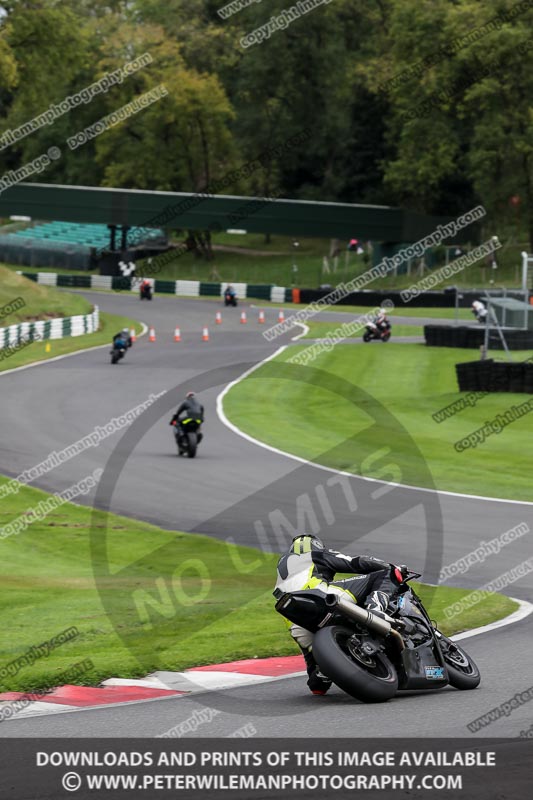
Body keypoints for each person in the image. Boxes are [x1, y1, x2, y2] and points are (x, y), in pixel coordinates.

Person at [273, 534, 407, 695]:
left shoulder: (282, 572)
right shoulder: (314, 554)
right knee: (387, 573)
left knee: (316, 680)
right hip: (319, 596)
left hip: (294, 620)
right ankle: (375, 608)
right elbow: (354, 563)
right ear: (315, 545)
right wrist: (389, 566)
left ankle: (321, 675)